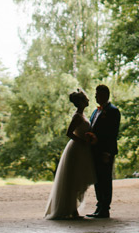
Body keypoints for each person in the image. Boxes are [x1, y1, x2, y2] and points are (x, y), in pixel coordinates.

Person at [43, 90, 96, 220]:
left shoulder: (82, 115)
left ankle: (73, 209)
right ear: (81, 102)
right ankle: (72, 210)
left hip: (82, 148)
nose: (88, 101)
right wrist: (83, 142)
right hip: (77, 148)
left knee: (78, 179)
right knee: (73, 179)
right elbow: (69, 133)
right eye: (86, 99)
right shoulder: (77, 116)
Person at [86, 84, 121, 219]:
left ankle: (105, 208)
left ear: (105, 95)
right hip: (94, 150)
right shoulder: (96, 111)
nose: (95, 96)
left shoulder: (113, 111)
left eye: (97, 94)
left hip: (105, 151)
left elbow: (112, 133)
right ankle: (99, 206)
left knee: (105, 179)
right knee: (97, 179)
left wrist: (107, 152)